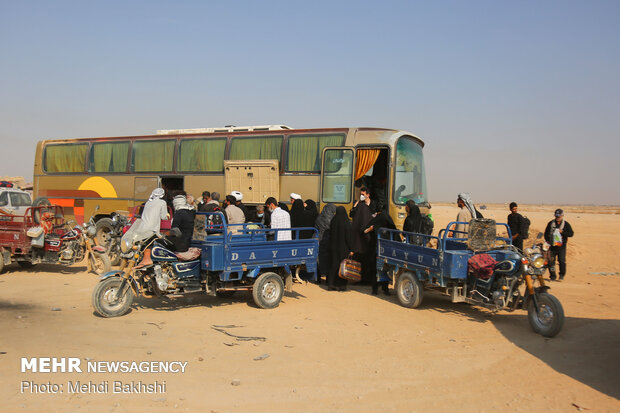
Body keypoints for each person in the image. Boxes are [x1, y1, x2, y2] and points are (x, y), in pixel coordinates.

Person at [364, 204, 396, 295]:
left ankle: (375, 290)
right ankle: (385, 289)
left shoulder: (375, 221)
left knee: (375, 269)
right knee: (385, 268)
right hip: (386, 250)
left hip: (375, 250)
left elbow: (364, 231)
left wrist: (370, 229)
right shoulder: (389, 222)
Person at [135, 188, 168, 267]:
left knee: (144, 243)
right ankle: (147, 259)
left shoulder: (148, 202)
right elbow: (163, 217)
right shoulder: (162, 202)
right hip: (152, 227)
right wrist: (167, 216)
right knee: (150, 243)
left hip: (142, 226)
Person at [351, 190, 374, 285]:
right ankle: (366, 280)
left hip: (358, 244)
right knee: (366, 262)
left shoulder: (358, 214)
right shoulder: (366, 214)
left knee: (359, 261)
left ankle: (358, 279)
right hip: (365, 244)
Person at [544, 209, 574, 281]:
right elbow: (546, 233)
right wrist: (548, 241)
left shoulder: (566, 224)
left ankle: (561, 275)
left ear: (562, 216)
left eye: (559, 216)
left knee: (561, 261)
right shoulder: (551, 223)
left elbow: (571, 233)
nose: (557, 218)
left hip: (562, 246)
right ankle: (552, 276)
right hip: (552, 246)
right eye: (556, 216)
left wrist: (562, 232)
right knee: (551, 262)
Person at [328, 206, 352, 291]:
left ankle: (331, 284)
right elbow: (348, 237)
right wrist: (351, 248)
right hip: (344, 248)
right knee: (343, 266)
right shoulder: (346, 222)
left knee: (334, 265)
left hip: (333, 247)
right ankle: (341, 285)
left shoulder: (333, 220)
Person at [315, 204, 336, 284]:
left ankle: (318, 278)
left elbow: (316, 228)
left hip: (319, 240)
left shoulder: (319, 218)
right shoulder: (333, 218)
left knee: (319, 259)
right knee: (329, 260)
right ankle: (328, 279)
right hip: (329, 240)